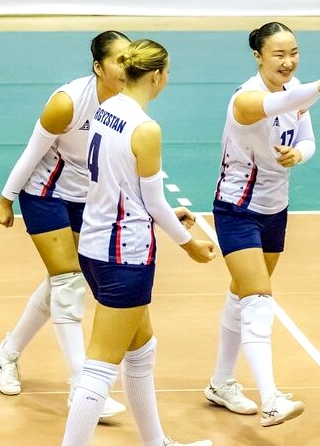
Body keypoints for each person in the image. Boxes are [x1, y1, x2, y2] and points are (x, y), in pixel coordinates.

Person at [60, 38, 215, 446]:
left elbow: (124, 185)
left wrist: (154, 214)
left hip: (95, 246)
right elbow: (155, 201)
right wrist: (189, 244)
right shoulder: (145, 128)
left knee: (141, 349)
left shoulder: (106, 108)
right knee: (99, 368)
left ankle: (155, 442)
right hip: (125, 256)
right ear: (156, 76)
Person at [202, 21, 320, 427]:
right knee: (259, 299)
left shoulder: (295, 89)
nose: (288, 62)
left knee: (243, 293)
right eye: (279, 54)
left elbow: (307, 138)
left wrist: (298, 155)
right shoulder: (246, 99)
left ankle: (220, 382)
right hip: (237, 207)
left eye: (294, 52)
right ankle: (270, 400)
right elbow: (276, 105)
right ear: (258, 56)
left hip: (275, 209)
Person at [0, 30, 130, 418]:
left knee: (62, 280)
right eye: (119, 60)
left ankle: (7, 353)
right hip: (45, 192)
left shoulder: (128, 103)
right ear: (99, 67)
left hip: (88, 198)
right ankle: (81, 388)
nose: (127, 67)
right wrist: (5, 199)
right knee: (68, 283)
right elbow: (31, 152)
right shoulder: (68, 102)